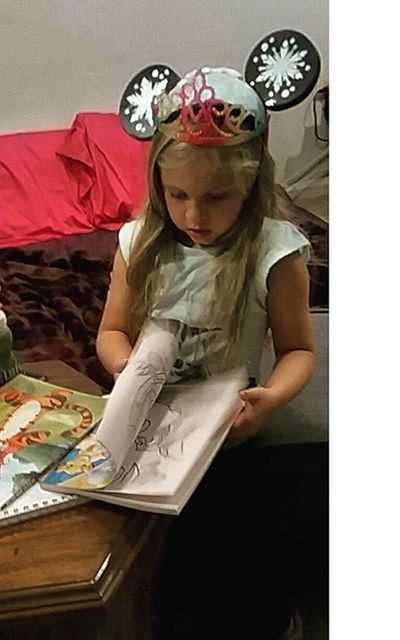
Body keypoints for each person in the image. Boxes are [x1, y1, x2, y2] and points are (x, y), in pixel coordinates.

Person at [95, 67, 317, 639]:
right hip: (151, 428)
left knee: (235, 545)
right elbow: (112, 333)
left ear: (251, 187)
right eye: (178, 196)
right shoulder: (138, 241)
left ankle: (266, 620)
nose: (194, 216)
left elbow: (297, 351)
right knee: (142, 557)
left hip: (230, 431)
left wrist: (270, 400)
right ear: (157, 185)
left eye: (217, 197)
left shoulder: (275, 252)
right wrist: (130, 370)